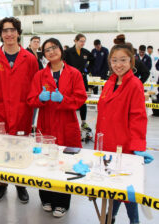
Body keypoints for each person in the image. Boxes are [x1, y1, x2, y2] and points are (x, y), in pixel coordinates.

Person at [27, 38, 87, 218]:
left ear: (60, 50)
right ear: (44, 55)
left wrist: (64, 100)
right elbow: (31, 100)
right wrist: (41, 99)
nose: (51, 52)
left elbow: (81, 98)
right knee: (44, 160)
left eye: (54, 48)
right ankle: (45, 197)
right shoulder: (39, 75)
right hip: (46, 124)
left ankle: (62, 202)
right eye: (47, 50)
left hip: (66, 123)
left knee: (65, 162)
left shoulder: (74, 73)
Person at [95, 44, 154, 224]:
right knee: (113, 185)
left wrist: (137, 147)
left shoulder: (134, 84)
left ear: (131, 61)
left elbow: (138, 117)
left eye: (123, 60)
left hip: (124, 146)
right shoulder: (110, 82)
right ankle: (111, 216)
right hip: (107, 144)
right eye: (114, 61)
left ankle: (134, 221)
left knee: (128, 191)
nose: (118, 64)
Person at [0, 17, 39, 203]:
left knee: (20, 147)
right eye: (5, 31)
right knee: (0, 148)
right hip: (0, 111)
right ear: (0, 34)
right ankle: (2, 183)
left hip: (23, 111)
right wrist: (0, 102)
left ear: (18, 33)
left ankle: (20, 184)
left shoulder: (30, 59)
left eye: (12, 30)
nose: (9, 34)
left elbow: (33, 85)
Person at [64, 33, 94, 132]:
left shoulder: (85, 52)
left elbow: (93, 61)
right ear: (75, 41)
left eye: (84, 41)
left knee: (82, 100)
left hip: (82, 79)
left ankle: (83, 122)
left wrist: (87, 70)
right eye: (81, 41)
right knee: (70, 99)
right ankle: (69, 122)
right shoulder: (68, 52)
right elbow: (62, 64)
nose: (83, 43)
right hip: (70, 79)